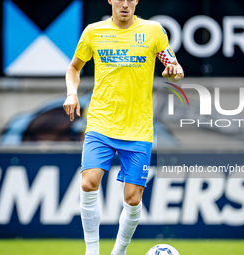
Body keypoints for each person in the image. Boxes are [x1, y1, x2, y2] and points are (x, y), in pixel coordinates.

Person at [63, 0, 184, 254]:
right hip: (101, 122)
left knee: (132, 198)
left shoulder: (153, 31)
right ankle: (92, 251)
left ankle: (118, 253)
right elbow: (74, 67)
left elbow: (173, 67)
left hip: (138, 128)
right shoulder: (93, 32)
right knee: (88, 183)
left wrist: (173, 71)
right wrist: (71, 94)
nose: (125, 4)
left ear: (137, 1)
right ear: (110, 0)